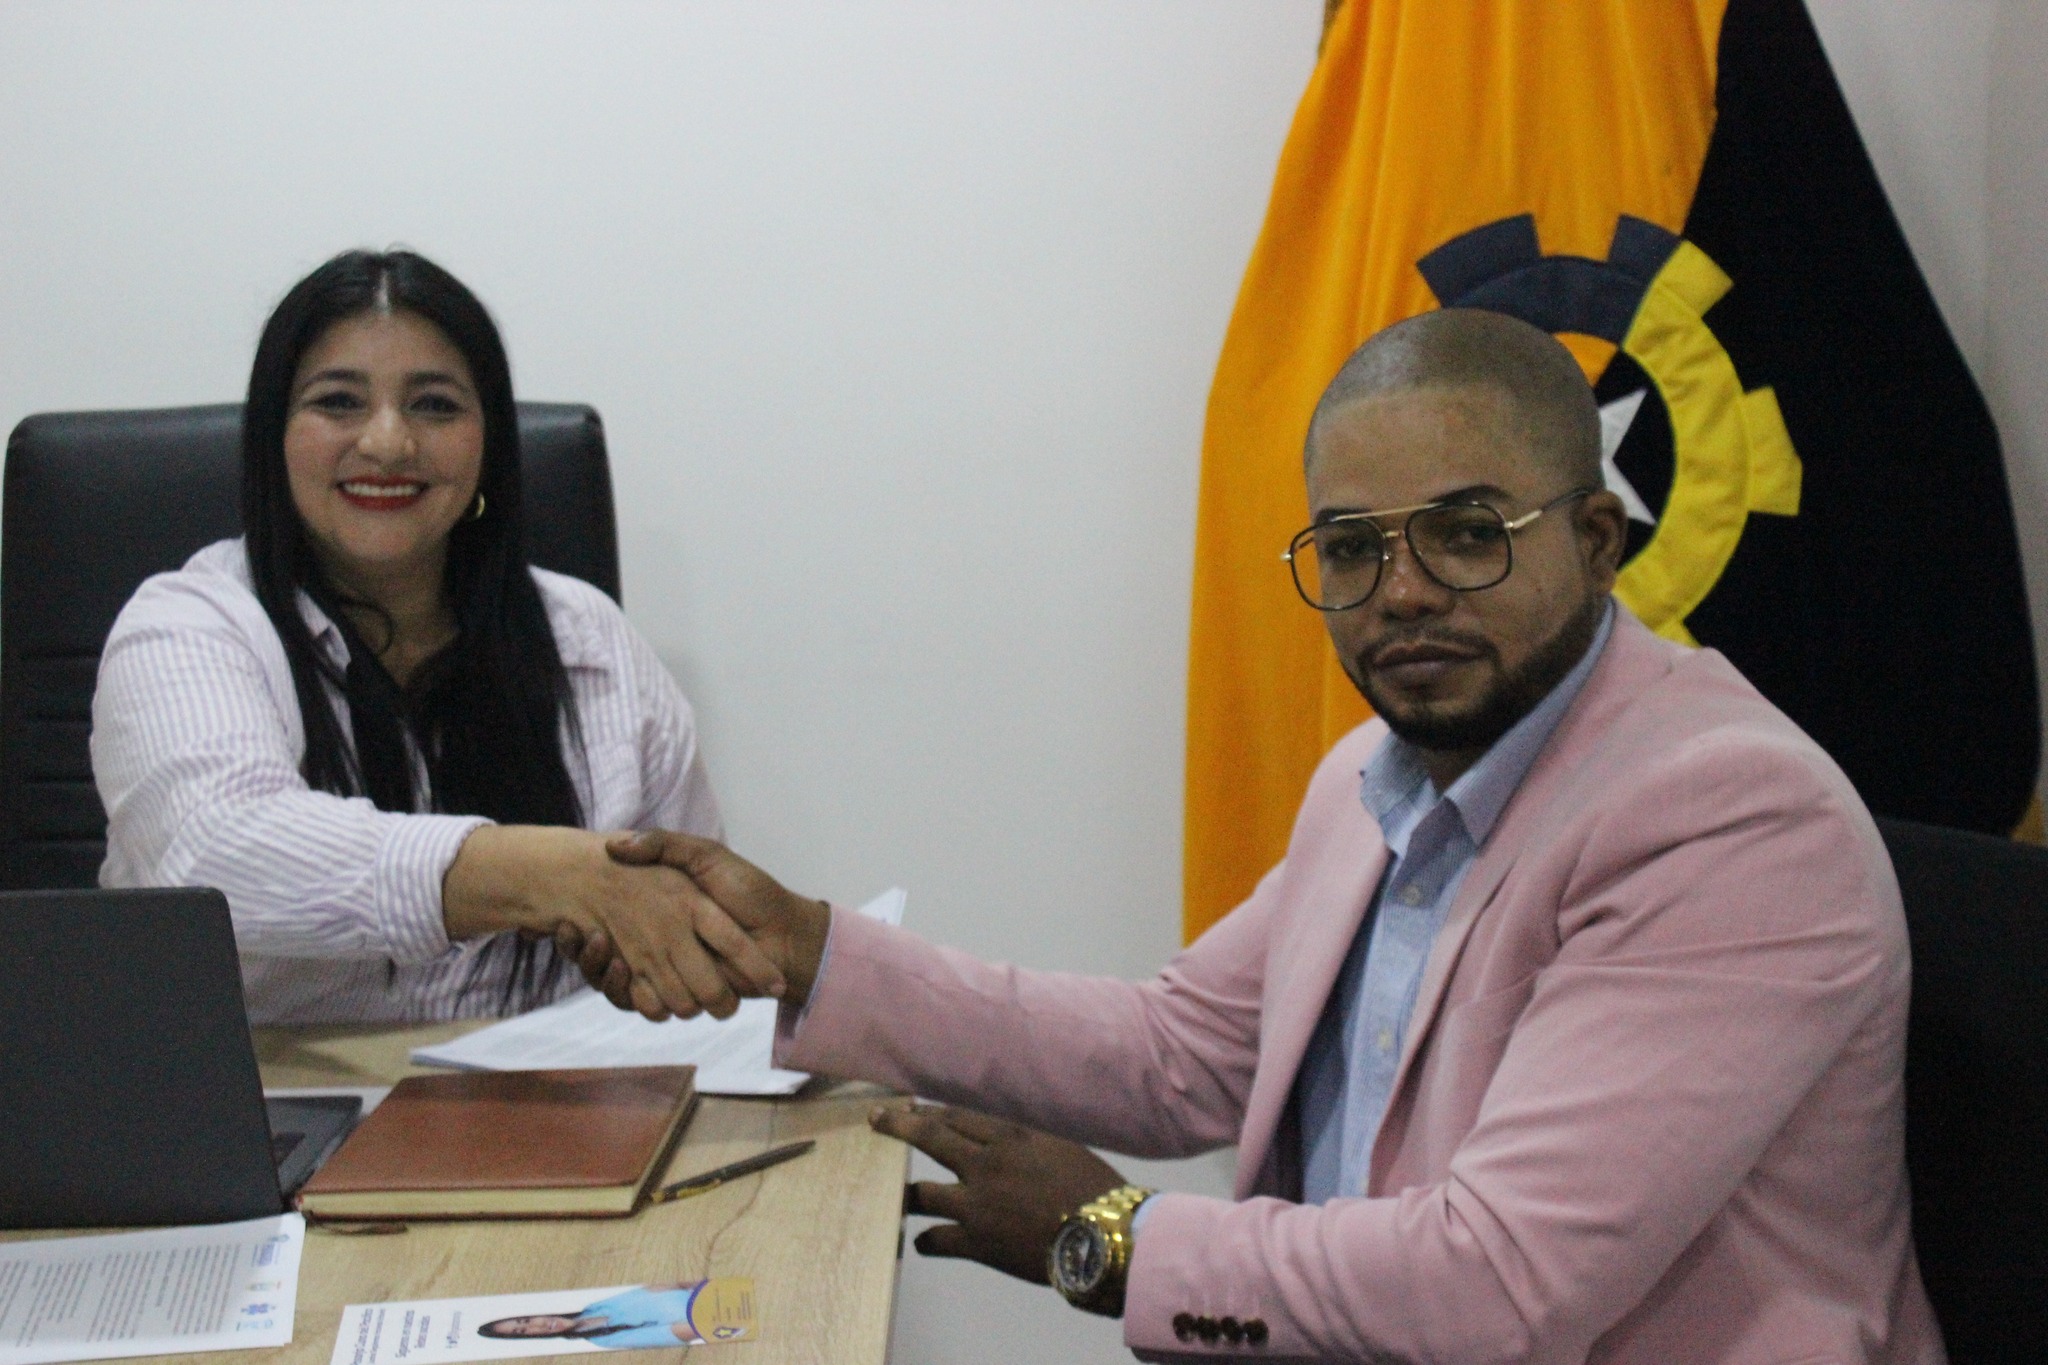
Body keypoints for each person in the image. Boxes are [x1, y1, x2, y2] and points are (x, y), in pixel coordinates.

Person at [567, 309, 1941, 1362]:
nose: (1402, 592)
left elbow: (1499, 1283)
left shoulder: (1728, 821)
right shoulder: (1374, 775)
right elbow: (1180, 1055)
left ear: (1596, 539)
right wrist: (809, 951)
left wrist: (1113, 1237)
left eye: (1466, 533)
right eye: (1350, 547)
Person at [92, 249, 780, 1026]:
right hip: (269, 1093)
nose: (388, 443)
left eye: (435, 405)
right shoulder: (187, 627)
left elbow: (687, 914)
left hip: (552, 1092)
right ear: (272, 436)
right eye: (339, 401)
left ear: (489, 442)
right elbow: (213, 857)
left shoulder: (588, 639)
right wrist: (550, 874)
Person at [476, 1283, 732, 1348]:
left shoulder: (597, 1306)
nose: (537, 1325)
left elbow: (667, 1286)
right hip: (724, 1315)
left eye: (525, 1321)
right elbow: (685, 1331)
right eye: (522, 1332)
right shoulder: (607, 1340)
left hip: (718, 1289)